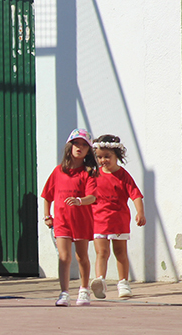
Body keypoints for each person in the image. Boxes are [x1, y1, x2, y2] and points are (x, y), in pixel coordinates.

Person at [41, 128, 99, 306]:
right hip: (61, 222)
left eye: (84, 145)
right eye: (76, 144)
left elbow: (92, 197)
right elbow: (47, 195)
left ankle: (84, 290)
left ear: (89, 150)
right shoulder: (58, 171)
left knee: (82, 256)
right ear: (70, 146)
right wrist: (47, 216)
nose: (79, 148)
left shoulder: (89, 173)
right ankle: (64, 293)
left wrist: (79, 201)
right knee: (64, 257)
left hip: (81, 221)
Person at [89, 134, 145, 299]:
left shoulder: (123, 175)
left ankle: (123, 283)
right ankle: (100, 282)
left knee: (120, 252)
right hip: (98, 220)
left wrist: (140, 212)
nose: (103, 160)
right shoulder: (94, 175)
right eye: (99, 157)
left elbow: (135, 195)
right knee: (101, 252)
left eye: (107, 156)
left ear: (117, 156)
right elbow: (87, 196)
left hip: (119, 221)